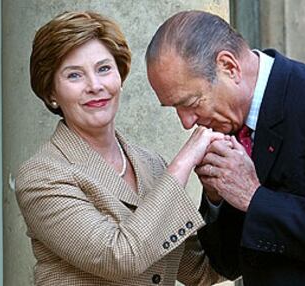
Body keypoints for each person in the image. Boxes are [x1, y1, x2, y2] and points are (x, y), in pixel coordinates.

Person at [145, 10, 305, 286]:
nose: (187, 122)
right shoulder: (232, 122)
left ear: (229, 67)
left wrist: (254, 197)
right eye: (174, 107)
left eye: (191, 102)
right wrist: (216, 198)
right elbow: (225, 264)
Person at [15, 11, 225, 286]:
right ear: (51, 92)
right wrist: (183, 163)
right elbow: (119, 258)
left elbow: (200, 271)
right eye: (74, 75)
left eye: (104, 69)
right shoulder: (41, 176)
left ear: (120, 76)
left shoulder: (152, 165)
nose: (95, 86)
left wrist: (218, 195)